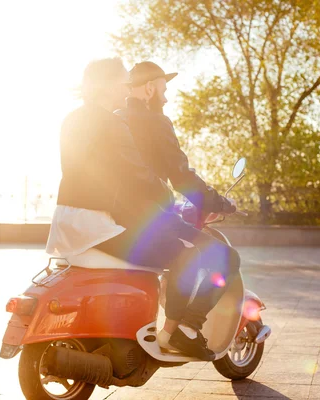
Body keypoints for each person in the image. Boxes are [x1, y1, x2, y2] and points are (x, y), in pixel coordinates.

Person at [46, 58, 238, 361]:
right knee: (205, 254)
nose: (126, 86)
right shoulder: (113, 122)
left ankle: (168, 327)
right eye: (122, 81)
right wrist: (167, 200)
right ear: (108, 85)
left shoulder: (73, 119)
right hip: (105, 223)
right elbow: (140, 174)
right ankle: (180, 332)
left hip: (69, 221)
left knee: (180, 246)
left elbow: (103, 174)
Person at [104, 61, 241, 359]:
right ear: (150, 88)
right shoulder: (156, 121)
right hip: (152, 218)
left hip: (114, 220)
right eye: (163, 90)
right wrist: (219, 202)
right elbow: (181, 176)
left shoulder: (115, 118)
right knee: (227, 256)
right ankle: (184, 332)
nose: (165, 98)